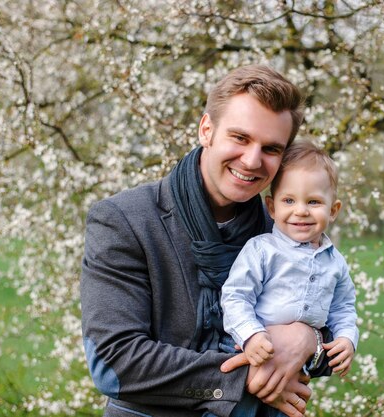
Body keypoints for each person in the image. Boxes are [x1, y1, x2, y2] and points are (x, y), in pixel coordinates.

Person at [80, 65, 328, 417]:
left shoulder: (286, 229)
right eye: (240, 138)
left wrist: (308, 339)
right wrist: (242, 378)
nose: (252, 160)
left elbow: (331, 323)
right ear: (206, 130)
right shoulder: (125, 220)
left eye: (271, 148)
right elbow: (116, 361)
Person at [220, 142, 358, 399]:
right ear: (272, 208)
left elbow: (343, 307)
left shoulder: (335, 262)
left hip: (296, 367)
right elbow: (236, 296)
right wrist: (252, 335)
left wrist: (347, 338)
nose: (301, 211)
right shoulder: (262, 250)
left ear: (333, 210)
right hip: (251, 354)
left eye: (314, 201)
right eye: (289, 200)